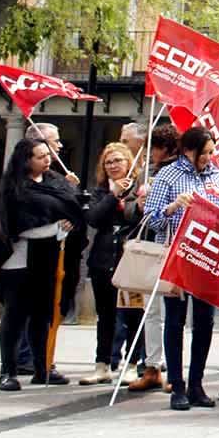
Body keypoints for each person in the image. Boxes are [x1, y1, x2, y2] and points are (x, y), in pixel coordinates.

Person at [141, 127, 219, 411]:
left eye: (210, 152)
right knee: (175, 321)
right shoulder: (168, 176)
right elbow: (151, 221)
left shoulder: (217, 176)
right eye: (203, 152)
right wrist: (172, 208)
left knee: (205, 322)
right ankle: (177, 386)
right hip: (177, 257)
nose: (208, 158)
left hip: (206, 257)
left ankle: (197, 383)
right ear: (188, 150)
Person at [0, 139, 83, 390]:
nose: (47, 160)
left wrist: (69, 221)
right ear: (26, 160)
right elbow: (15, 224)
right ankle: (7, 371)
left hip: (50, 256)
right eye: (40, 156)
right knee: (15, 315)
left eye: (47, 155)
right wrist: (53, 227)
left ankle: (42, 368)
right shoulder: (14, 187)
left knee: (43, 315)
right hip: (19, 259)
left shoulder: (55, 180)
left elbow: (71, 207)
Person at [80, 142, 141, 385]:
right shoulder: (99, 192)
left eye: (118, 161)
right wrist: (112, 195)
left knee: (133, 312)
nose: (113, 166)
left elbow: (138, 216)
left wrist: (129, 199)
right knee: (105, 314)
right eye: (108, 162)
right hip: (103, 259)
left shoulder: (139, 190)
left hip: (130, 258)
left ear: (129, 163)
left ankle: (133, 363)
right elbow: (93, 219)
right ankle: (102, 364)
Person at [126, 124, 179, 393]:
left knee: (172, 312)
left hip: (169, 246)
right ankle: (152, 365)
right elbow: (129, 212)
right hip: (149, 246)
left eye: (154, 149)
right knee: (151, 310)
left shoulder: (177, 173)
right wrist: (138, 206)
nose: (150, 154)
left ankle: (173, 367)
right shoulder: (145, 174)